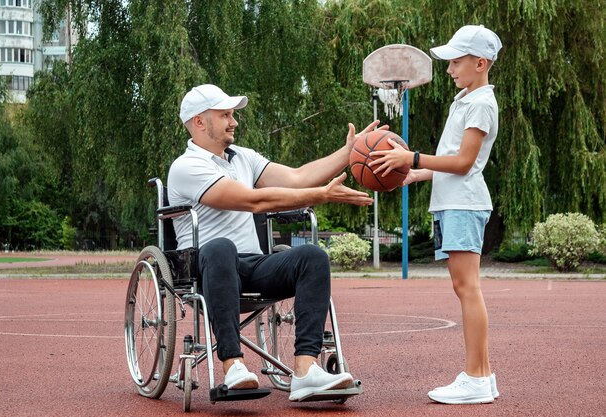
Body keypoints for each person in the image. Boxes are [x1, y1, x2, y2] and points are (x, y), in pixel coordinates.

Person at [167, 83, 378, 401]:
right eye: (224, 114)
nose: (234, 121)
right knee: (221, 246)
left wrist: (349, 153)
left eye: (233, 114)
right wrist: (321, 195)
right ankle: (233, 365)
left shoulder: (243, 159)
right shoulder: (186, 167)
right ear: (199, 121)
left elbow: (297, 177)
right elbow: (252, 201)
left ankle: (306, 371)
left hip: (252, 262)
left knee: (312, 256)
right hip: (206, 266)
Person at [369, 25, 503, 404]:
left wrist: (410, 157)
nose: (449, 69)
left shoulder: (480, 103)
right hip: (453, 202)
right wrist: (417, 173)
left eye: (456, 61)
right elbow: (452, 160)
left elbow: (463, 162)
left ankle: (476, 378)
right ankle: (484, 376)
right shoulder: (465, 100)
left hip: (464, 202)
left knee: (467, 289)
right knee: (466, 289)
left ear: (480, 63)